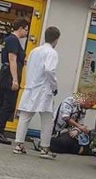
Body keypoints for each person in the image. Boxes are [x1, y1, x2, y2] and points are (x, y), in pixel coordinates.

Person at [13, 26, 61, 159]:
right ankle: (45, 148)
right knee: (47, 120)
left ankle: (19, 144)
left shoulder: (34, 51)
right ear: (56, 39)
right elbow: (49, 70)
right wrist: (54, 86)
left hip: (30, 87)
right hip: (44, 89)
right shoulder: (52, 53)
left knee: (25, 116)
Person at [0, 18, 29, 145]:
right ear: (21, 28)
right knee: (8, 105)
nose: (27, 32)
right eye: (26, 29)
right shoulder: (13, 40)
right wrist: (15, 80)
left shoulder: (10, 40)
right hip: (9, 75)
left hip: (5, 74)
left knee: (2, 102)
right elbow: (12, 60)